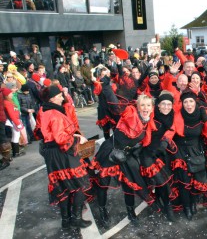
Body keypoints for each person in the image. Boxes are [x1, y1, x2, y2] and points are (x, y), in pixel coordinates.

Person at [91, 94, 159, 227]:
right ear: (137, 106)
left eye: (148, 105)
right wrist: (107, 88)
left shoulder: (148, 122)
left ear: (152, 108)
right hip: (111, 151)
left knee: (129, 184)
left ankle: (130, 212)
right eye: (142, 105)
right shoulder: (130, 113)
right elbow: (118, 107)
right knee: (103, 183)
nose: (145, 108)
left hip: (126, 155)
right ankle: (102, 210)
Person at [37, 85, 92, 229]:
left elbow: (43, 132)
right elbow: (61, 139)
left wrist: (73, 134)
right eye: (60, 95)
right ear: (53, 98)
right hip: (62, 153)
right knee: (81, 184)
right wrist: (79, 140)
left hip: (51, 154)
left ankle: (66, 220)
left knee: (62, 187)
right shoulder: (55, 114)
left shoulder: (43, 110)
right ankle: (76, 218)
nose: (62, 97)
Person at [165, 89, 207, 220]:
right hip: (180, 151)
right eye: (185, 102)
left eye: (191, 101)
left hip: (196, 149)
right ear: (182, 103)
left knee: (196, 178)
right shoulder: (177, 115)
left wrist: (206, 118)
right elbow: (170, 132)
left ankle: (193, 202)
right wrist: (162, 143)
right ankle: (187, 207)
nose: (188, 104)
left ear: (195, 102)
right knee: (184, 181)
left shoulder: (201, 113)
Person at [139, 91, 176, 222]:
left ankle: (162, 202)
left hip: (163, 154)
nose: (166, 107)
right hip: (148, 154)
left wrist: (164, 142)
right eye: (163, 104)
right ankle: (167, 207)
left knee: (163, 182)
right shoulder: (151, 116)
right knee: (162, 182)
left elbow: (172, 130)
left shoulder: (173, 116)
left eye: (169, 104)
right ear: (158, 106)